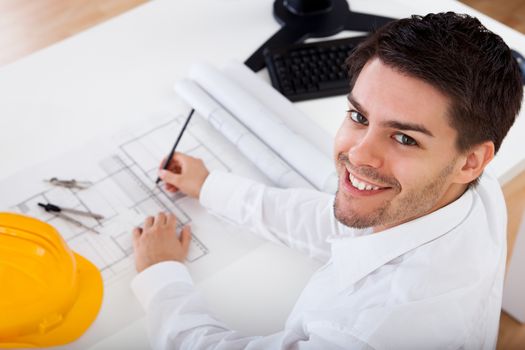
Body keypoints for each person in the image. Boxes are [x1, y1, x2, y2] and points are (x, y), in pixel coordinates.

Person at [130, 12, 523, 349]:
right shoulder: (467, 189)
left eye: (405, 138)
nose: (357, 154)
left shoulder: (365, 334)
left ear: (472, 161)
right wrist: (211, 188)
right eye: (359, 117)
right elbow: (334, 222)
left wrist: (161, 276)